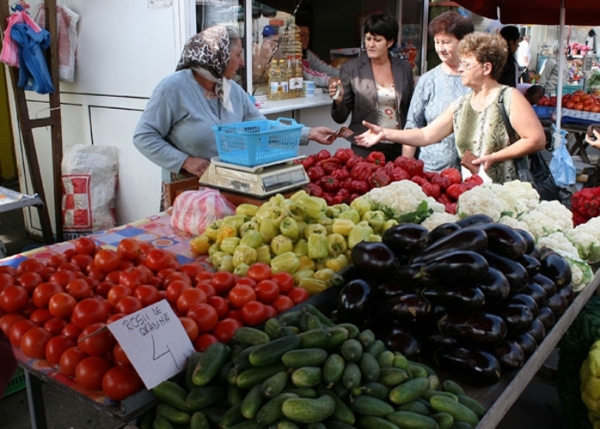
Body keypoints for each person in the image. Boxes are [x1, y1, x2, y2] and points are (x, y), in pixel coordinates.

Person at [133, 25, 335, 209]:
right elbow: (144, 136)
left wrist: (308, 133)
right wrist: (185, 161)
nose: (241, 63)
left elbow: (262, 128)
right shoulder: (173, 89)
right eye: (237, 55)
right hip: (186, 191)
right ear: (217, 56)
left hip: (227, 189)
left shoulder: (232, 91)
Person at [355, 32, 546, 184]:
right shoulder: (462, 104)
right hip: (472, 192)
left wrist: (494, 157)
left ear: (486, 68)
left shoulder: (509, 97)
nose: (460, 69)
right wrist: (385, 133)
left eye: (467, 64)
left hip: (508, 194)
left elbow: (536, 139)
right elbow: (425, 135)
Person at [329, 13, 414, 161]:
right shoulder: (352, 69)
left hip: (399, 146)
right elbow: (340, 117)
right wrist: (338, 99)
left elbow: (411, 111)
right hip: (365, 146)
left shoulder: (404, 68)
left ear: (390, 42)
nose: (370, 44)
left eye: (377, 40)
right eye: (368, 38)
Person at [403, 11, 474, 172]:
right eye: (437, 42)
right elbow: (413, 124)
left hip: (470, 172)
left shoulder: (476, 78)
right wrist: (405, 167)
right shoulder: (428, 80)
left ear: (463, 42)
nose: (440, 48)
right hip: (433, 171)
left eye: (446, 42)